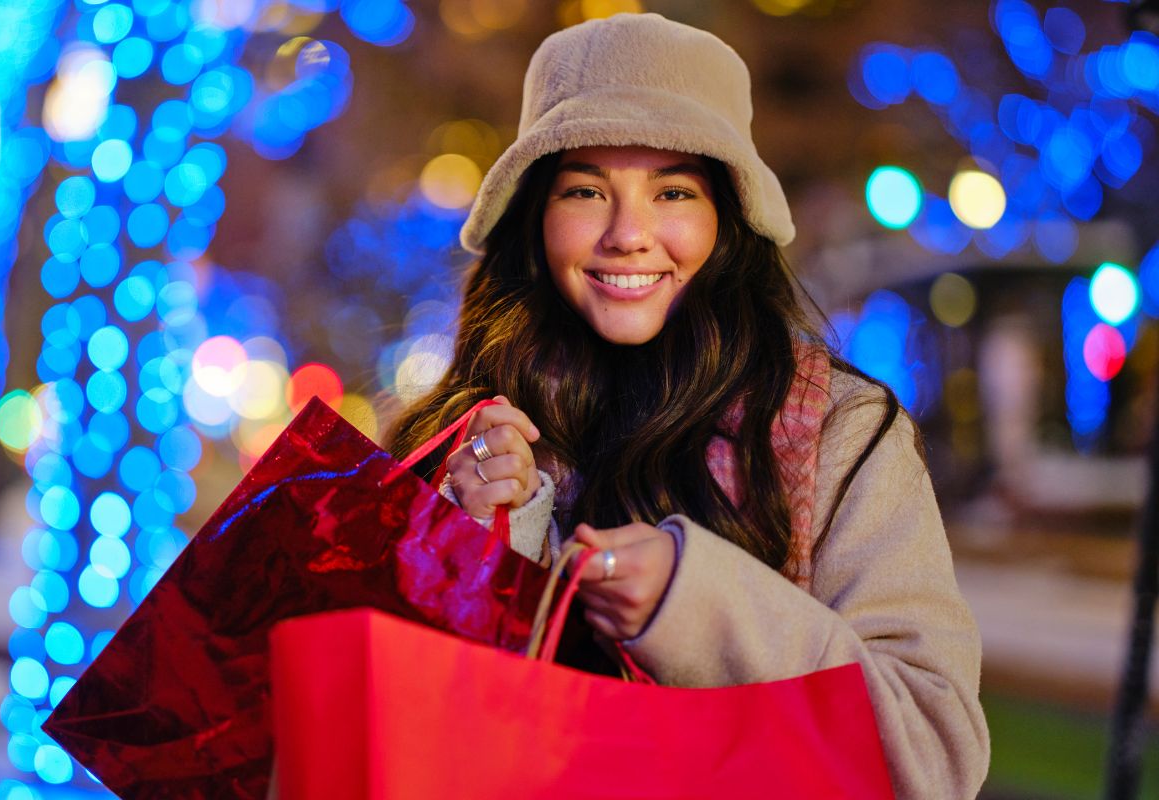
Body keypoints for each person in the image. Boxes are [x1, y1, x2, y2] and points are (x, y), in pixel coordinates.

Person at [388, 12, 989, 799]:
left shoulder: (840, 432)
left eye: (672, 189)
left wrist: (698, 603)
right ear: (535, 217)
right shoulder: (458, 444)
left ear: (728, 218)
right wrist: (478, 548)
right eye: (585, 189)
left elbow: (934, 755)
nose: (628, 233)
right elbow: (399, 738)